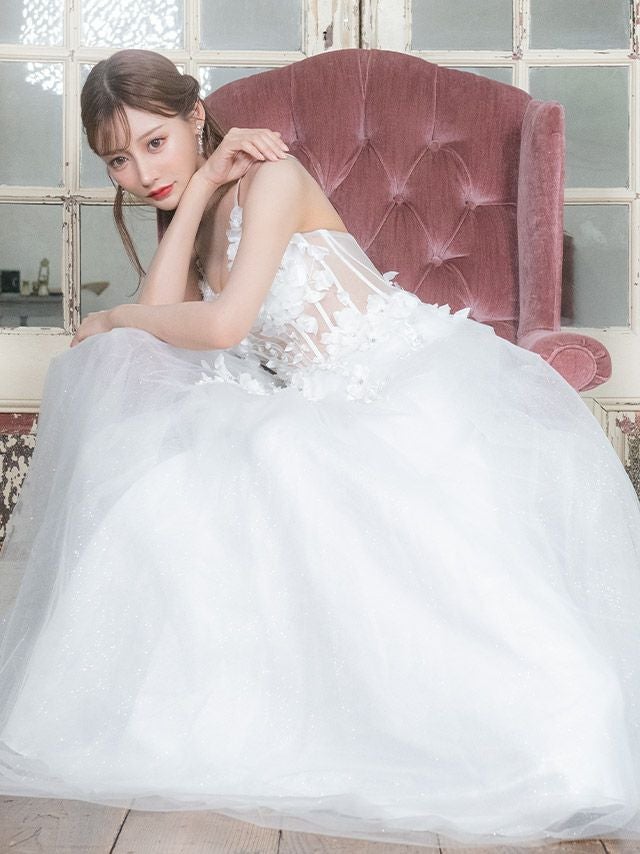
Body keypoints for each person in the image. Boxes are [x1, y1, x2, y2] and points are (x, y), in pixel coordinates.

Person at [0, 47, 639, 850]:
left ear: (196, 116)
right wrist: (196, 188)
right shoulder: (205, 202)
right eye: (119, 160)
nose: (141, 172)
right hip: (304, 402)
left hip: (398, 386)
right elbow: (160, 325)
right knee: (176, 486)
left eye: (156, 143)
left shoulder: (274, 179)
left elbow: (218, 326)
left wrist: (115, 315)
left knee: (294, 474)